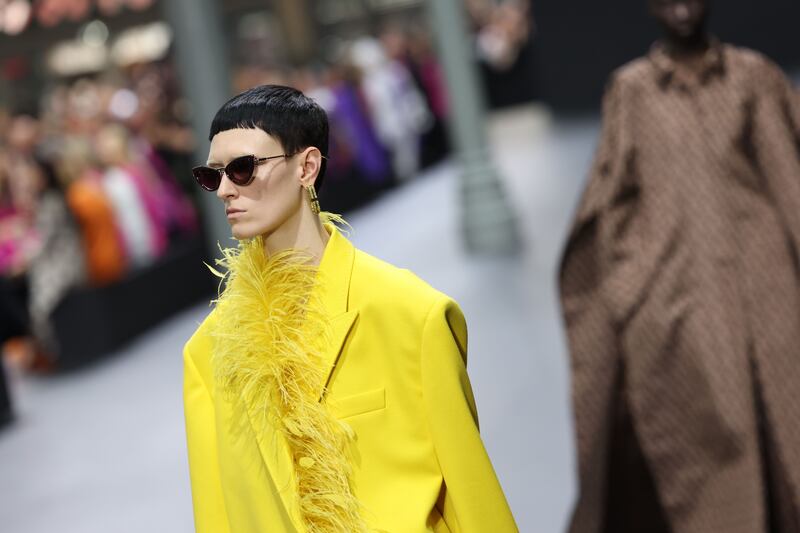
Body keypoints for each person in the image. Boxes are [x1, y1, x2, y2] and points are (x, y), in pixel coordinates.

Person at [183, 85, 517, 533]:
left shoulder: (412, 315)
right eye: (212, 175)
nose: (224, 190)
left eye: (242, 169)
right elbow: (216, 514)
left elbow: (471, 492)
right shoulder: (210, 353)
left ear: (307, 166)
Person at [559, 1, 800, 532]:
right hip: (681, 298)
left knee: (788, 427)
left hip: (771, 288)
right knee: (705, 443)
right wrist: (629, 288)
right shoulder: (632, 91)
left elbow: (790, 178)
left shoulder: (753, 76)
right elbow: (608, 200)